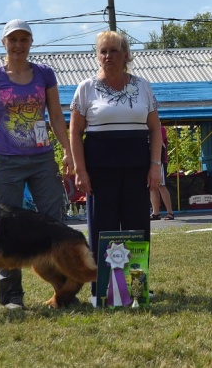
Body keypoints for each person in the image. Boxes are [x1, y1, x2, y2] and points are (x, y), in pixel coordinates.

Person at [0, 19, 73, 310]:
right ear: (4, 43)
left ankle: (65, 291)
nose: (18, 45)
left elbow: (55, 116)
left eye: (24, 40)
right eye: (13, 40)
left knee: (54, 222)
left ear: (31, 43)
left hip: (42, 159)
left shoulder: (45, 75)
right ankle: (12, 296)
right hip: (6, 162)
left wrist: (67, 151)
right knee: (3, 230)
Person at [69, 31, 162, 298]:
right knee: (102, 230)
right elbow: (75, 133)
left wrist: (155, 165)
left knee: (137, 229)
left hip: (137, 169)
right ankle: (102, 289)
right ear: (97, 56)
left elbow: (155, 129)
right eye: (103, 51)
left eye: (114, 51)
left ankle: (136, 288)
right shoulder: (85, 88)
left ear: (126, 55)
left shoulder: (143, 86)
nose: (108, 56)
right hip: (99, 172)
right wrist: (81, 171)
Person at [150, 125, 175, 220]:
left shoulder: (160, 128)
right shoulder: (148, 128)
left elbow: (159, 144)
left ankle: (170, 212)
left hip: (159, 161)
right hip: (150, 161)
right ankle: (155, 213)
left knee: (161, 186)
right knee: (152, 186)